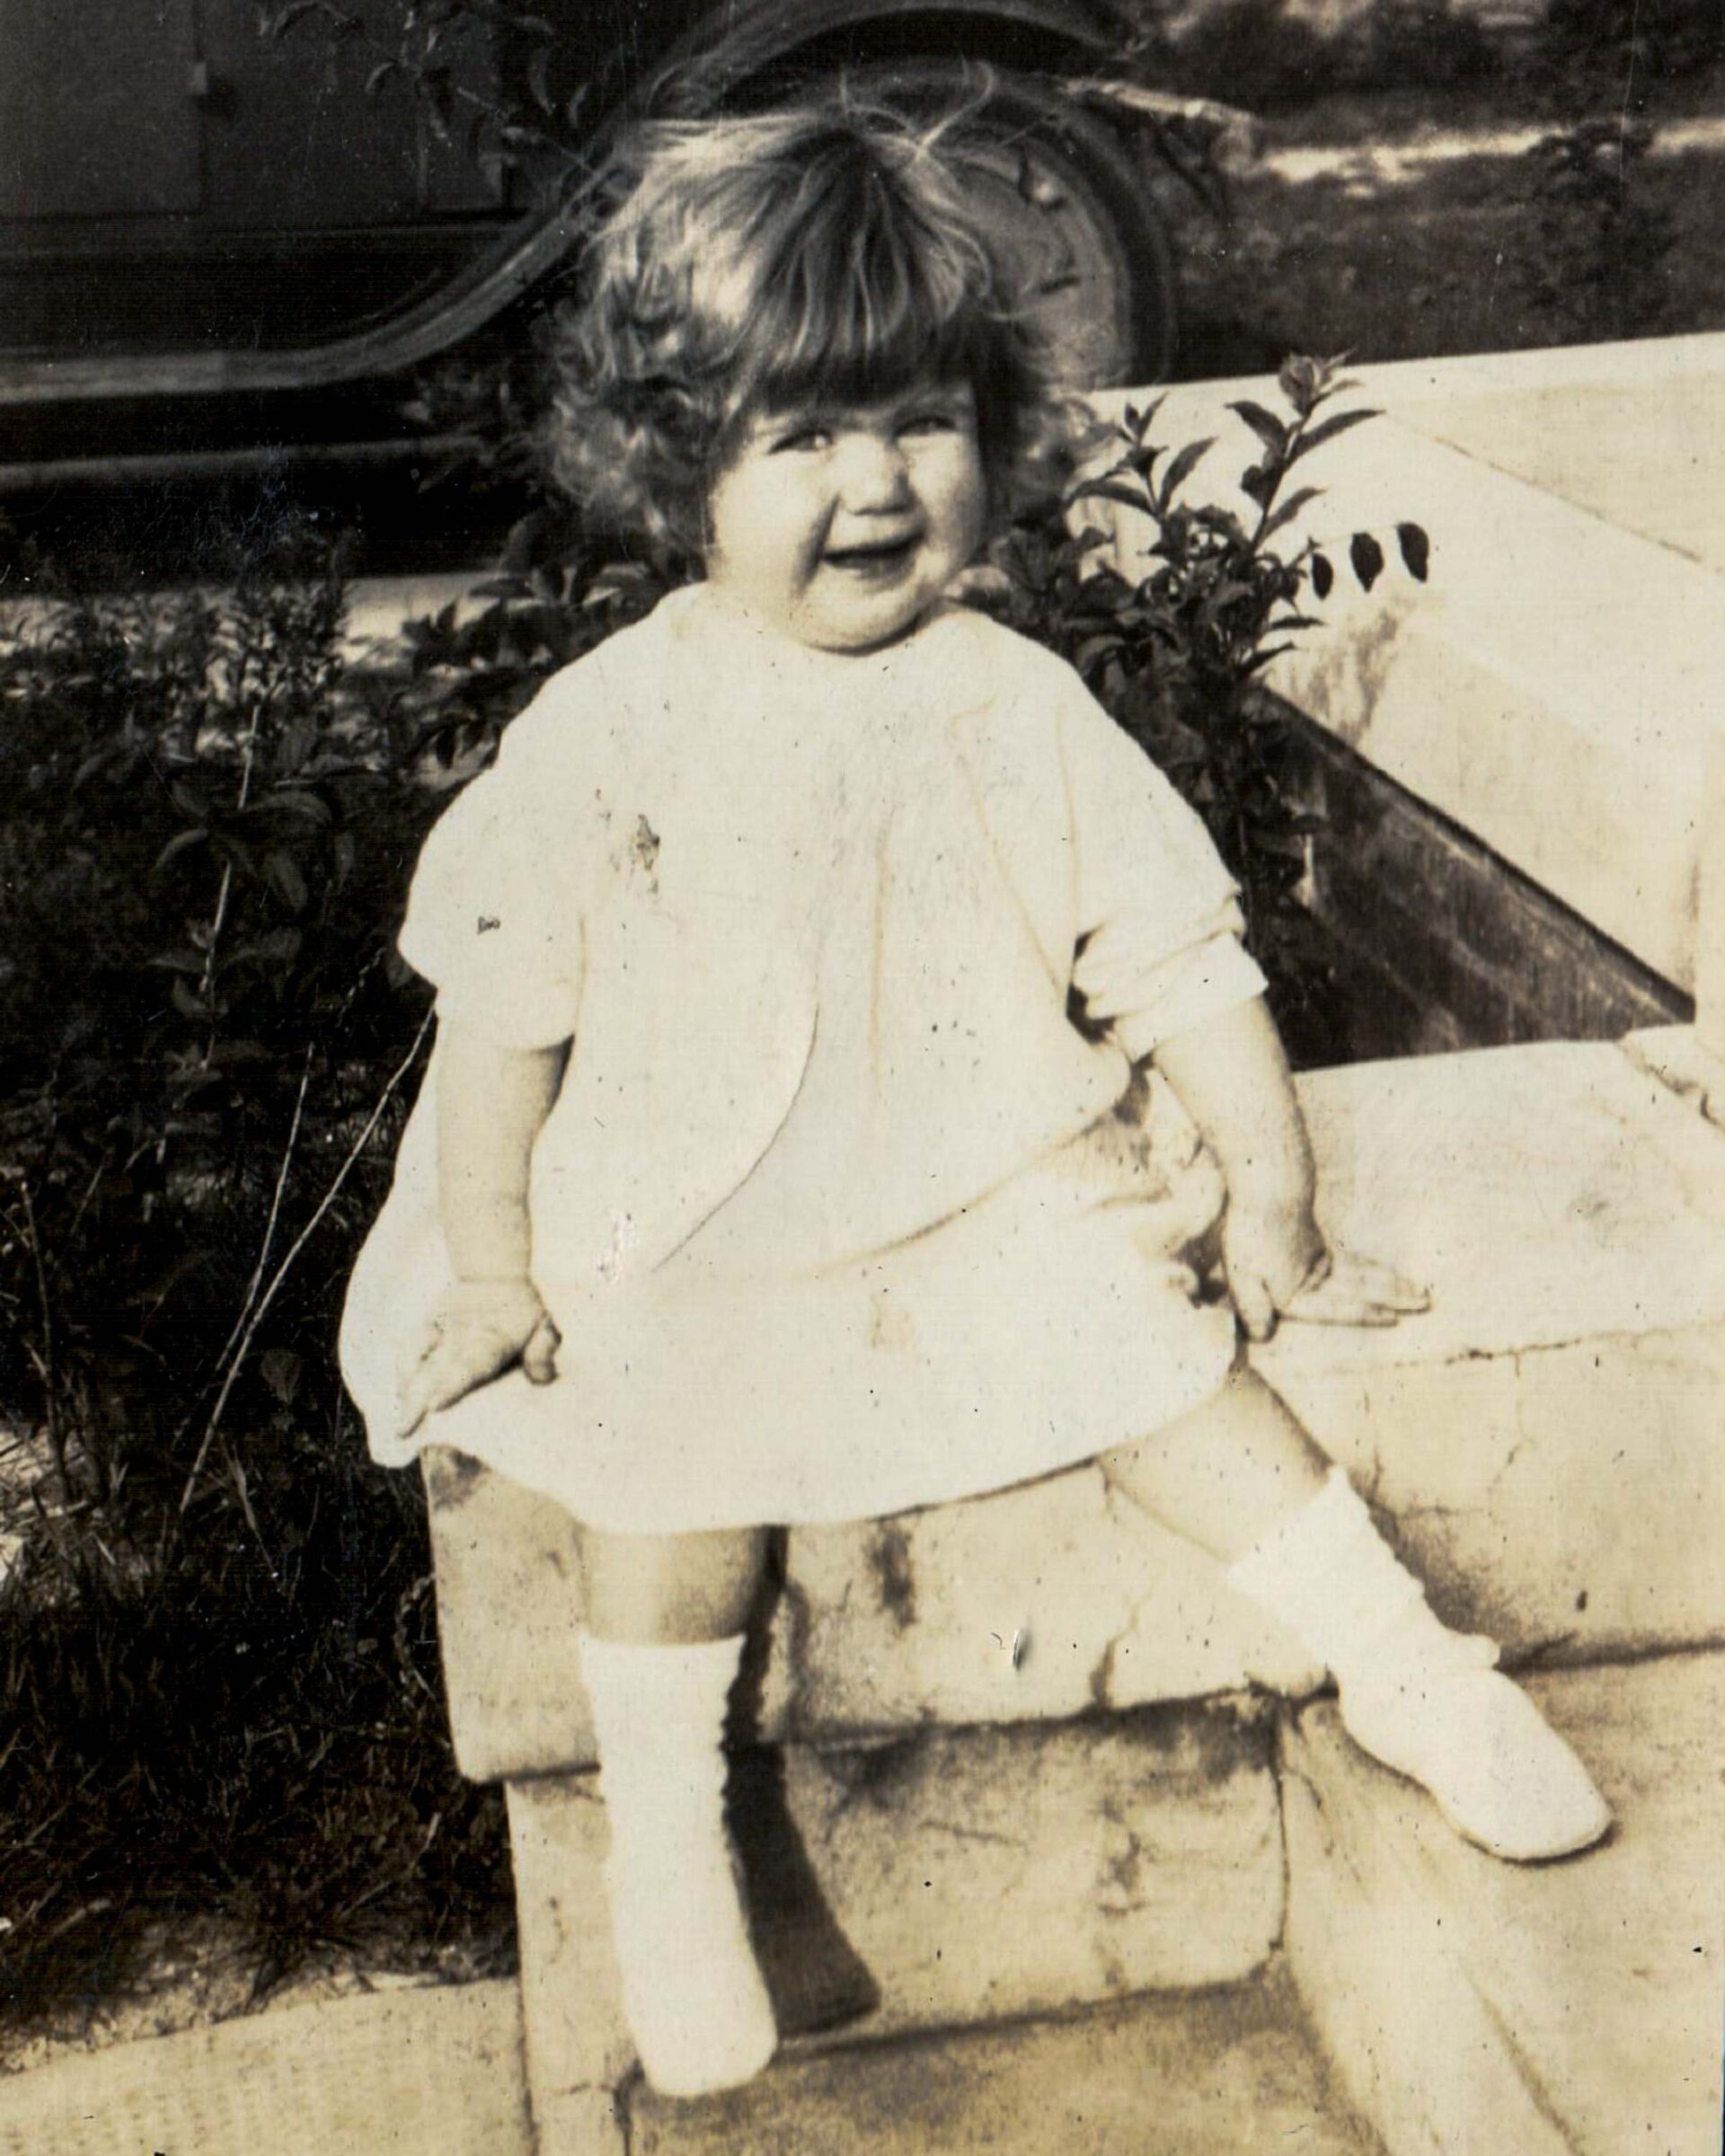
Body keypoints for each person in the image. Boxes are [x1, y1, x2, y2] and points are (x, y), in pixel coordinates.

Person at [339, 96, 1611, 2101]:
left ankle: (1402, 1660)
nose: (875, 481)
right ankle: (671, 1837)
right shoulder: (616, 727)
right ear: (684, 464)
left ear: (991, 434)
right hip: (700, 1199)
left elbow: (1181, 959)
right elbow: (502, 1020)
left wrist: (1268, 1196)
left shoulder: (1011, 702)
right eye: (802, 435)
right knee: (662, 1443)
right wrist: (499, 1266)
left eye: (920, 419)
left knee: (1159, 1357)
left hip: (965, 1178)